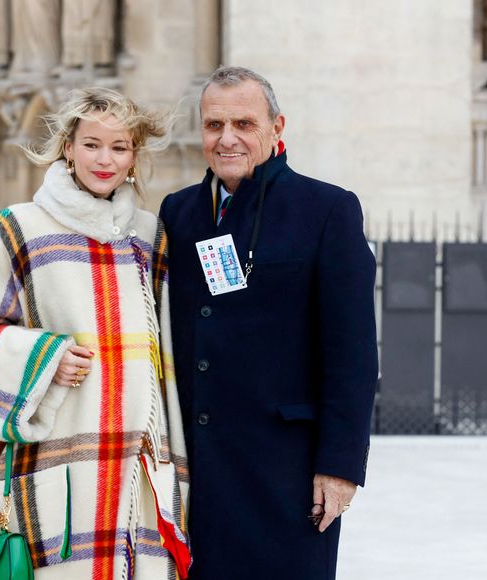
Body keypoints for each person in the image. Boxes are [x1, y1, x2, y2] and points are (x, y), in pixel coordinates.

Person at [0, 88, 191, 579]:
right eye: (91, 144)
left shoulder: (152, 238)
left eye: (120, 147)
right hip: (55, 468)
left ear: (134, 156)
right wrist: (41, 357)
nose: (105, 159)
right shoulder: (13, 230)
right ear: (68, 146)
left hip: (141, 474)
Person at [159, 66, 378, 580]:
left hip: (287, 473)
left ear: (277, 127)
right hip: (195, 469)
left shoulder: (327, 210)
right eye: (214, 125)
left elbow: (353, 353)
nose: (227, 138)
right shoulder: (179, 211)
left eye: (244, 123)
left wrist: (341, 466)